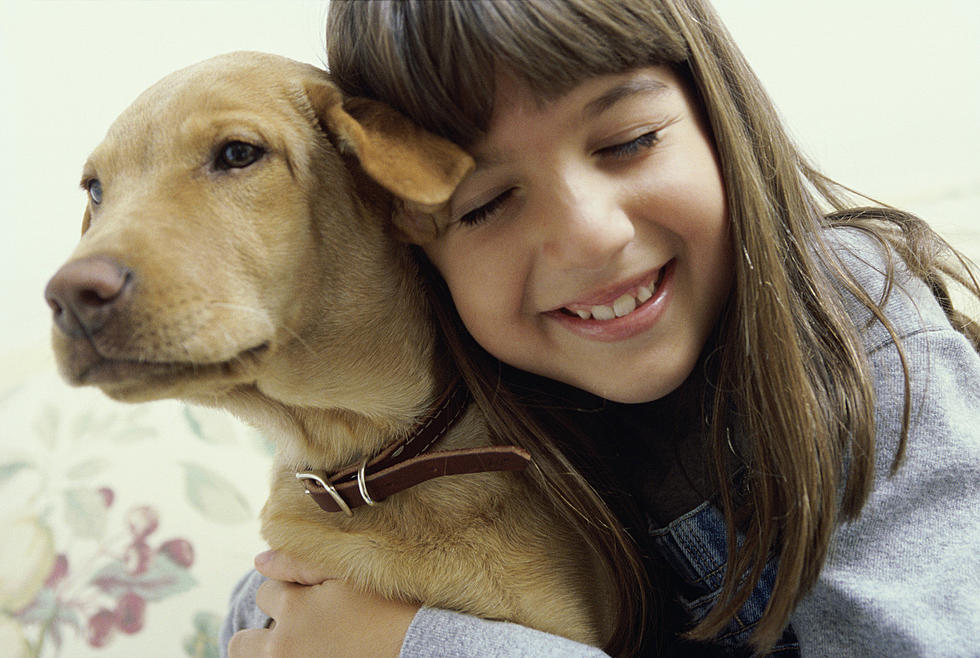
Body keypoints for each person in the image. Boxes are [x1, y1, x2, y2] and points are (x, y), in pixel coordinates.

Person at [223, 1, 980, 655]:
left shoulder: (858, 325)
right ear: (414, 249)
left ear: (715, 113)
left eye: (629, 142)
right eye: (485, 203)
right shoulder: (459, 408)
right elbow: (273, 614)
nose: (589, 236)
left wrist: (423, 646)